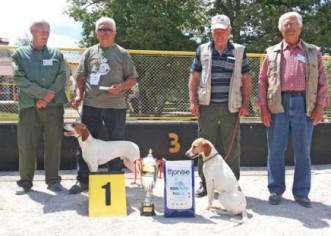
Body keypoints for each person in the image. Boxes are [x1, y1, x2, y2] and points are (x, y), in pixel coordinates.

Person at [257, 12, 329, 208]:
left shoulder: (313, 52)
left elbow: (323, 81)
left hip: (304, 104)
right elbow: (262, 81)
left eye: (293, 24)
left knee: (303, 151)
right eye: (285, 25)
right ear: (280, 29)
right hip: (277, 105)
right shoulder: (272, 52)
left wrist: (321, 106)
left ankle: (301, 192)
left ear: (300, 27)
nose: (289, 27)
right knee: (275, 151)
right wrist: (263, 106)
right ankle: (275, 189)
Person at [69, 17, 139, 194]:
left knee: (115, 145)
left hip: (115, 106)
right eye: (101, 29)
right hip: (91, 106)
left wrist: (121, 87)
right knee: (84, 144)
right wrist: (78, 95)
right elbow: (80, 77)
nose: (104, 32)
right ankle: (83, 181)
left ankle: (113, 180)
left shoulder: (122, 53)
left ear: (114, 32)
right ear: (96, 33)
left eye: (108, 29)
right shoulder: (89, 52)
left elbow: (133, 79)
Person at [188, 14, 252, 197]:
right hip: (206, 106)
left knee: (232, 147)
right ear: (211, 32)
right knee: (203, 147)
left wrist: (245, 104)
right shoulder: (202, 49)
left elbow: (246, 79)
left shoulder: (240, 50)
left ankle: (232, 183)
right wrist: (193, 101)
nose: (219, 35)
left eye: (222, 31)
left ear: (229, 31)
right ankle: (204, 183)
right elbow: (194, 77)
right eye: (215, 31)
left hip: (231, 106)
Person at [12, 20, 68, 195]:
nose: (45, 35)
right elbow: (18, 78)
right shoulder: (19, 54)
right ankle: (25, 182)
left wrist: (47, 97)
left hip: (54, 107)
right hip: (29, 107)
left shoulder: (57, 55)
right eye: (41, 31)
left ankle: (53, 180)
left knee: (54, 144)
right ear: (32, 31)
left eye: (48, 32)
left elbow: (62, 76)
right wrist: (43, 93)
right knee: (26, 144)